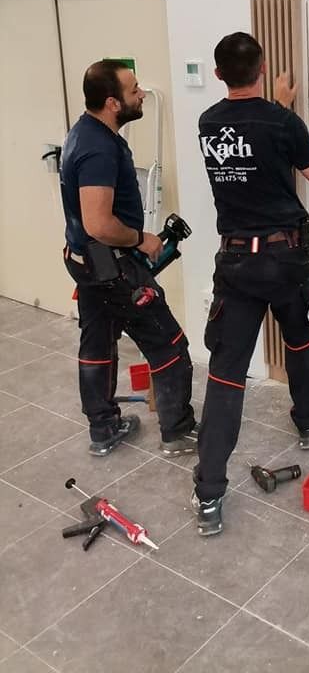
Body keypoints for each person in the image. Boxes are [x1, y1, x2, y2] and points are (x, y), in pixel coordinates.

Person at [192, 31, 309, 536]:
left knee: (226, 376)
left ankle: (208, 496)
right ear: (263, 67)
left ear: (217, 75)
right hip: (286, 259)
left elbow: (247, 140)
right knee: (300, 342)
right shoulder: (284, 124)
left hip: (235, 265)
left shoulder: (208, 123)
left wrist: (279, 107)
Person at [60, 59, 197, 456]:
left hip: (87, 262)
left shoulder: (84, 133)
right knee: (169, 345)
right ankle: (179, 431)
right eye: (134, 90)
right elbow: (99, 223)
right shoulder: (99, 148)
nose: (141, 95)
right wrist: (142, 239)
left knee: (97, 344)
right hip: (115, 267)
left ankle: (103, 429)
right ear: (113, 102)